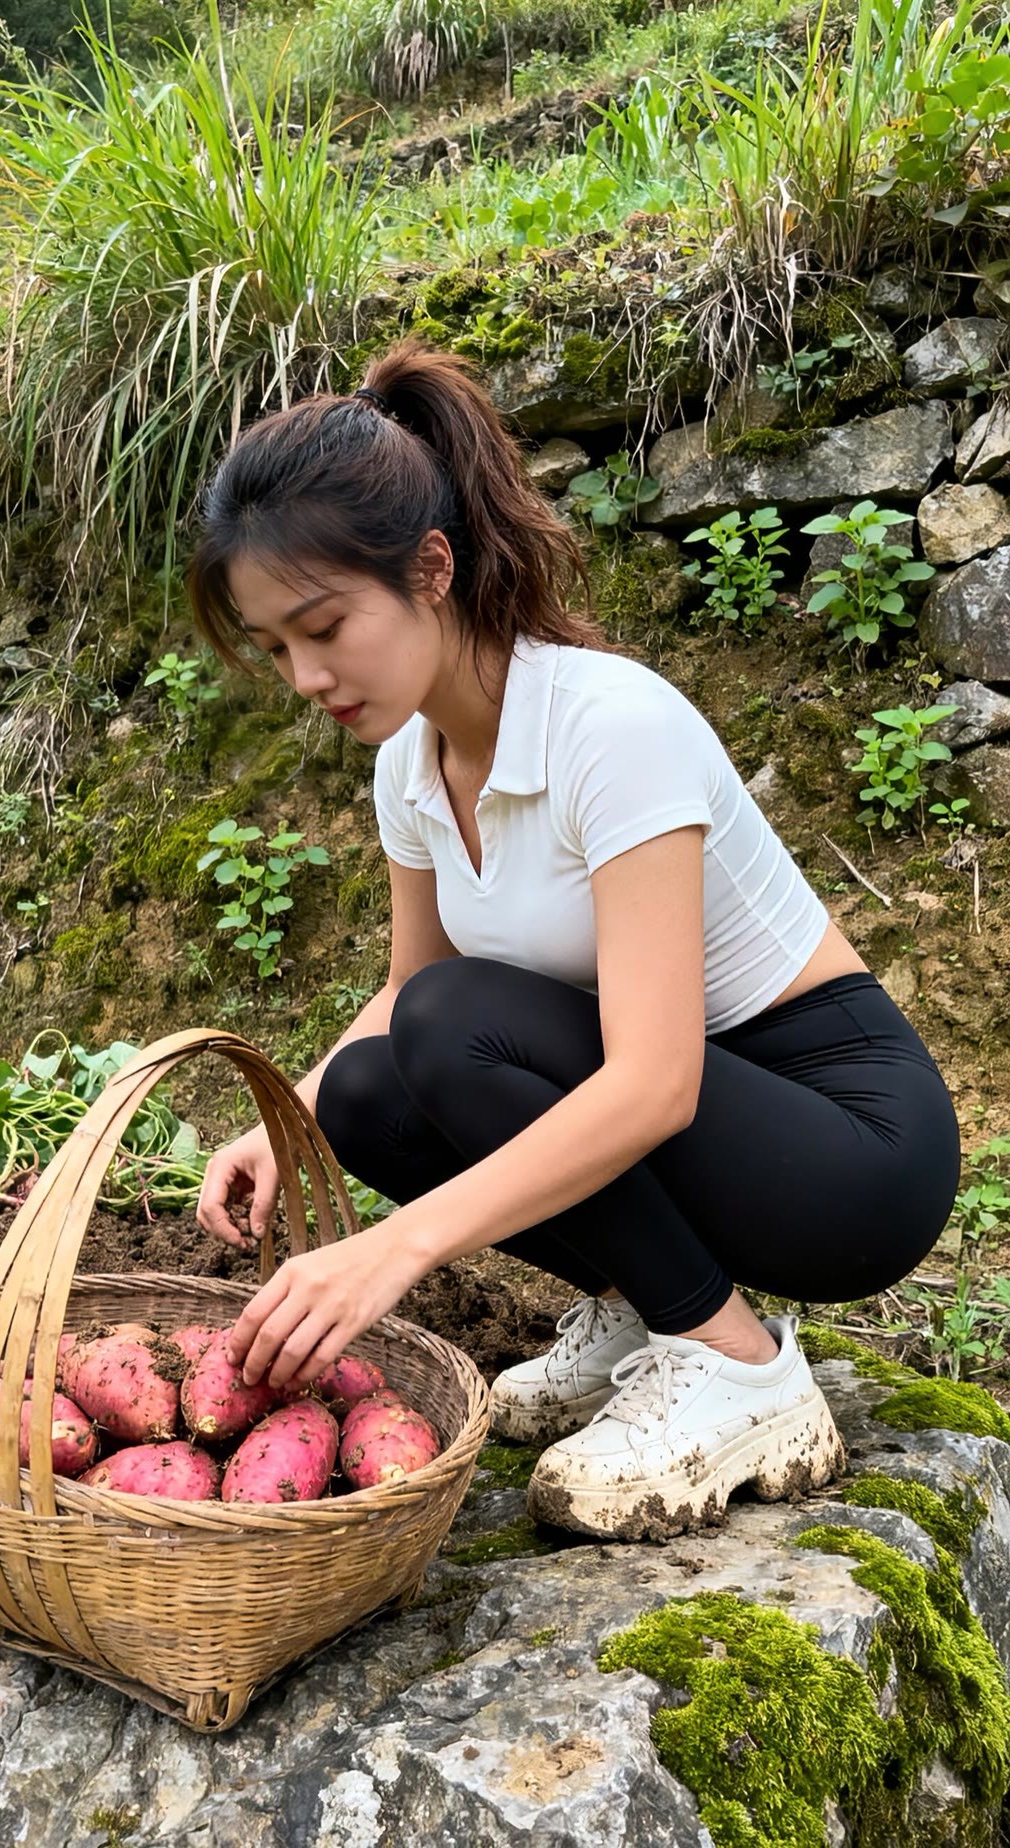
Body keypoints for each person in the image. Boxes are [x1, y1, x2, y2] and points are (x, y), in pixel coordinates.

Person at [190, 338, 961, 1542]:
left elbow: (654, 1083)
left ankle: (739, 1367)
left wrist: (395, 1250)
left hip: (852, 1152)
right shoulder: (412, 766)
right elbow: (408, 987)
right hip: (716, 1124)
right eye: (277, 645)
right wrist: (289, 1116)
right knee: (366, 1091)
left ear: (431, 569)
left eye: (324, 626)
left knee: (454, 1030)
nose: (304, 675)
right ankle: (643, 1304)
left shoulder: (611, 727)